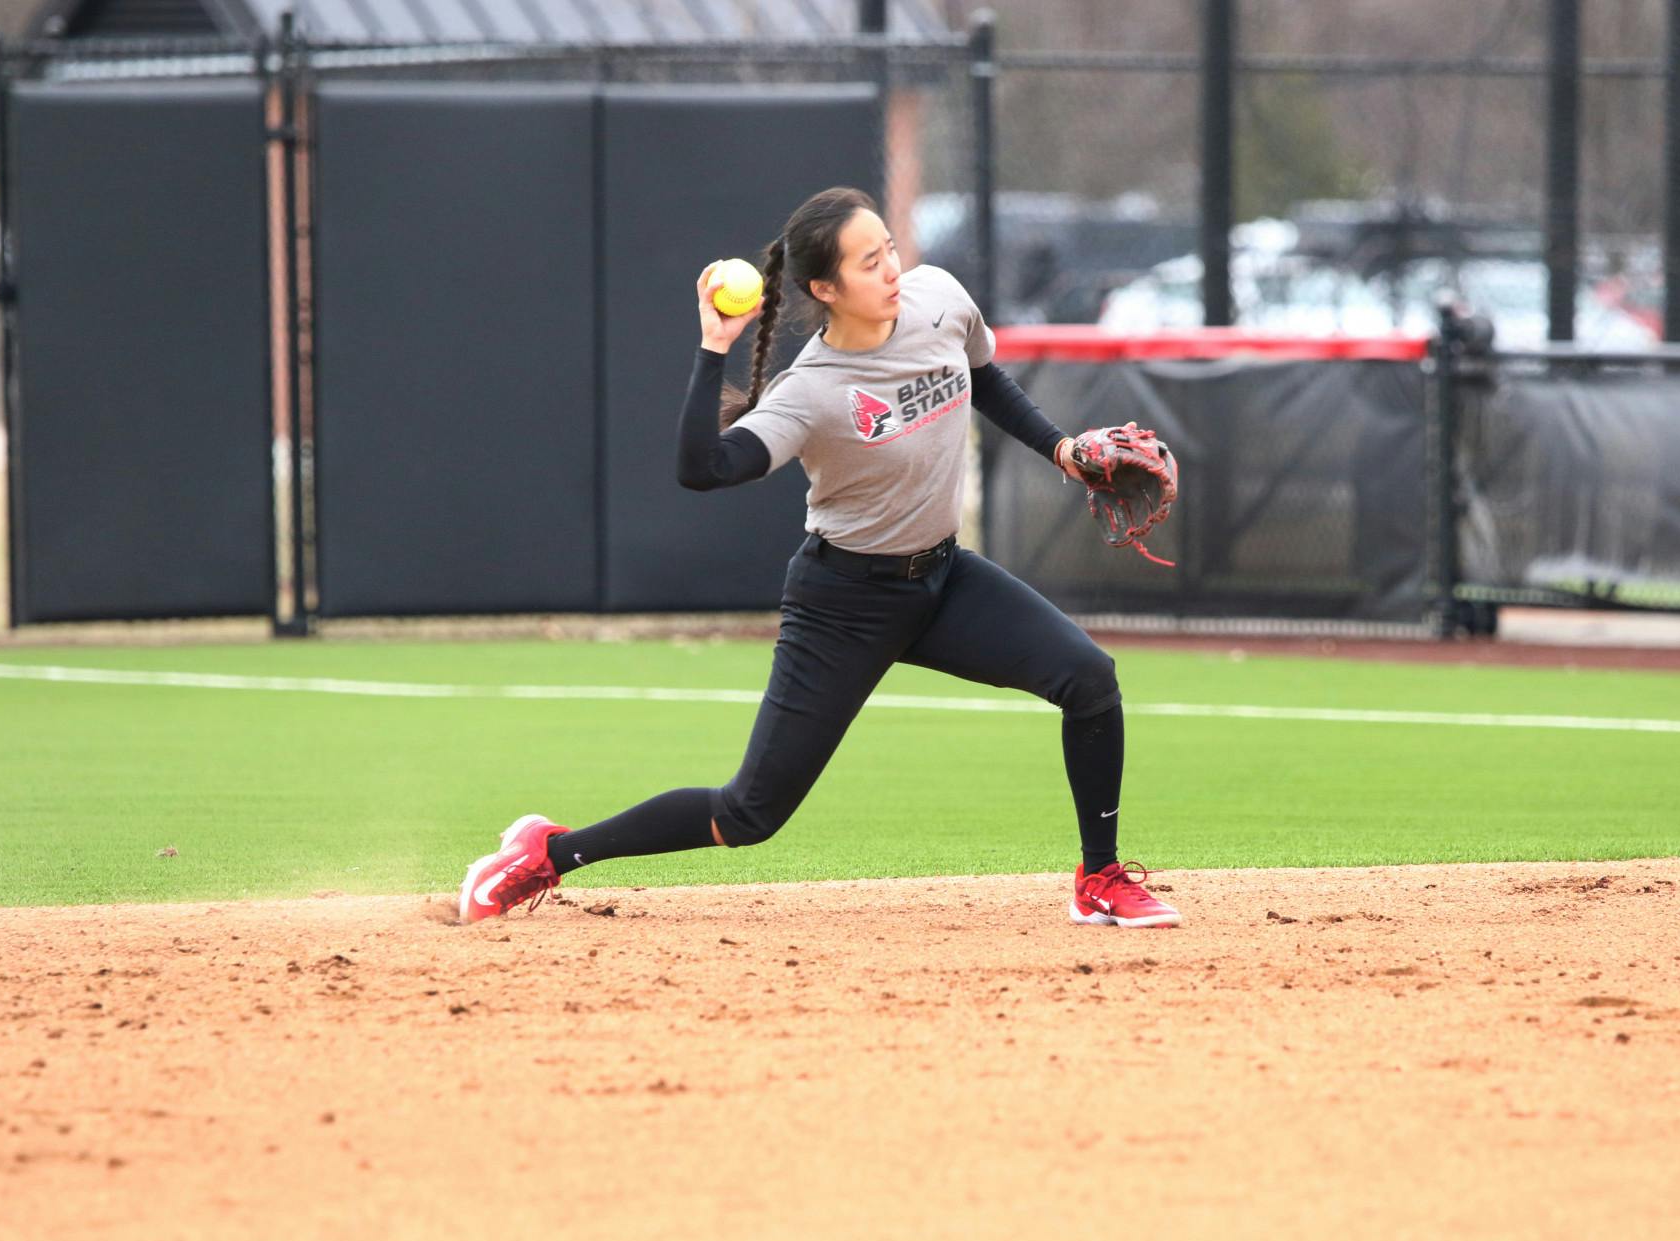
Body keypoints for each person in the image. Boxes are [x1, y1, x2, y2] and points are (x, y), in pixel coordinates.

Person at [459, 187, 1179, 929]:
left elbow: (982, 375)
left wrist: (1061, 449)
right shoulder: (811, 390)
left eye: (890, 249)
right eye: (869, 263)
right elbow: (702, 466)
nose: (892, 269)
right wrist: (714, 348)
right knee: (749, 813)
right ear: (825, 289)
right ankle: (550, 851)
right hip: (845, 602)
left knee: (1088, 677)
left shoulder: (939, 299)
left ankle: (1099, 877)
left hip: (943, 578)